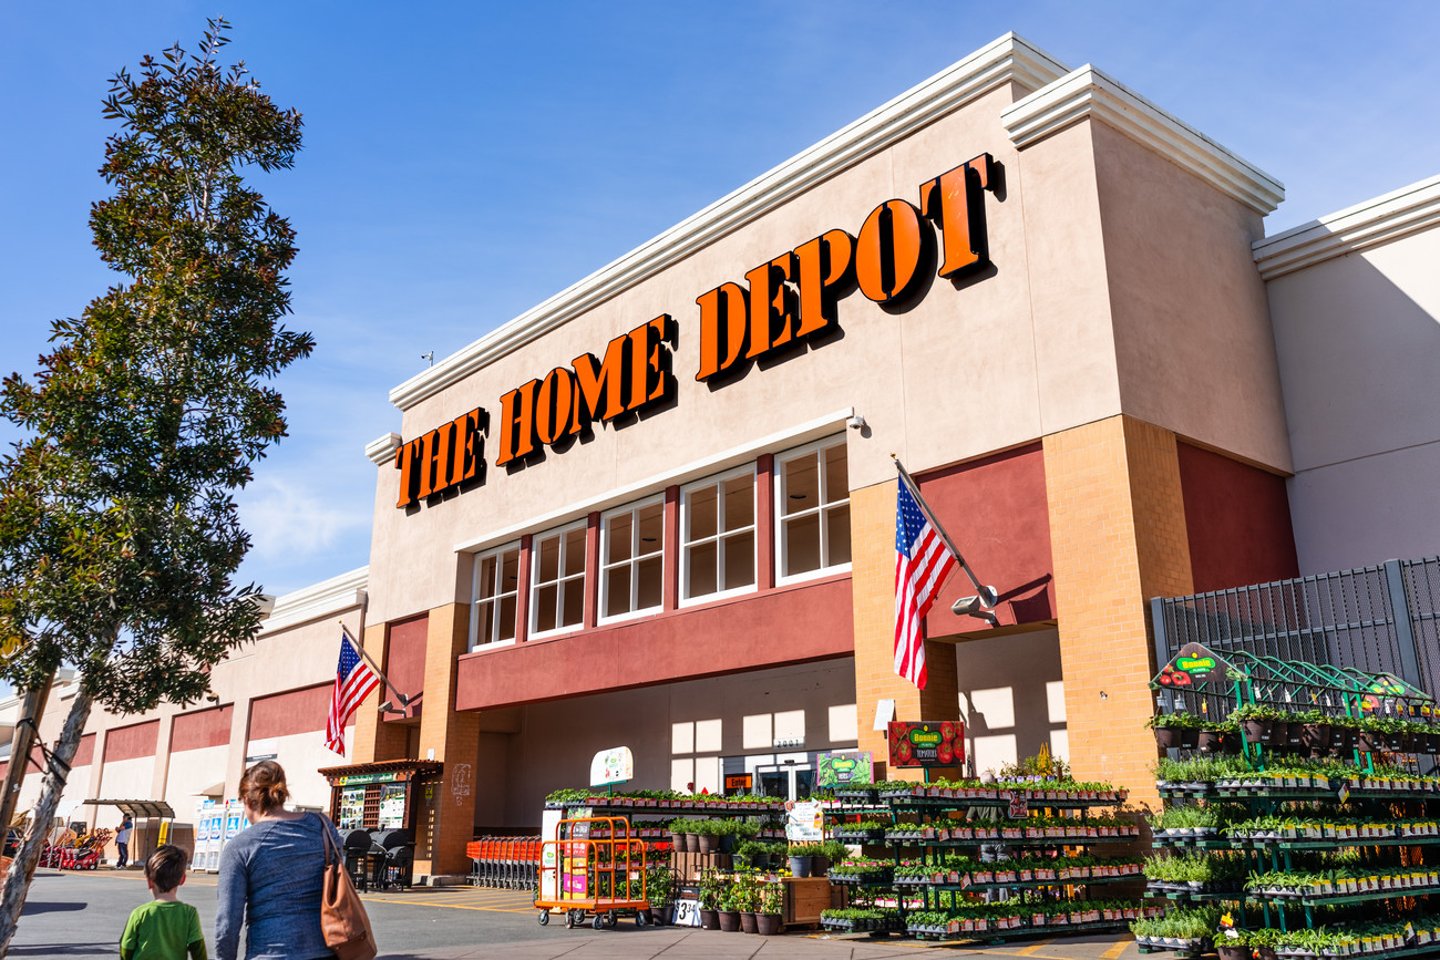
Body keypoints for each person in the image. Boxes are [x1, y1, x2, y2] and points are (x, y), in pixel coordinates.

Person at [215, 760, 342, 960]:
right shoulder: (323, 826)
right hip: (327, 948)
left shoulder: (240, 846)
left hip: (270, 952)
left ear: (247, 799)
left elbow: (228, 923)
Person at [120, 844, 207, 960]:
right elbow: (198, 949)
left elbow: (126, 948)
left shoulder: (139, 913)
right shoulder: (189, 913)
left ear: (150, 882)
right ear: (182, 879)